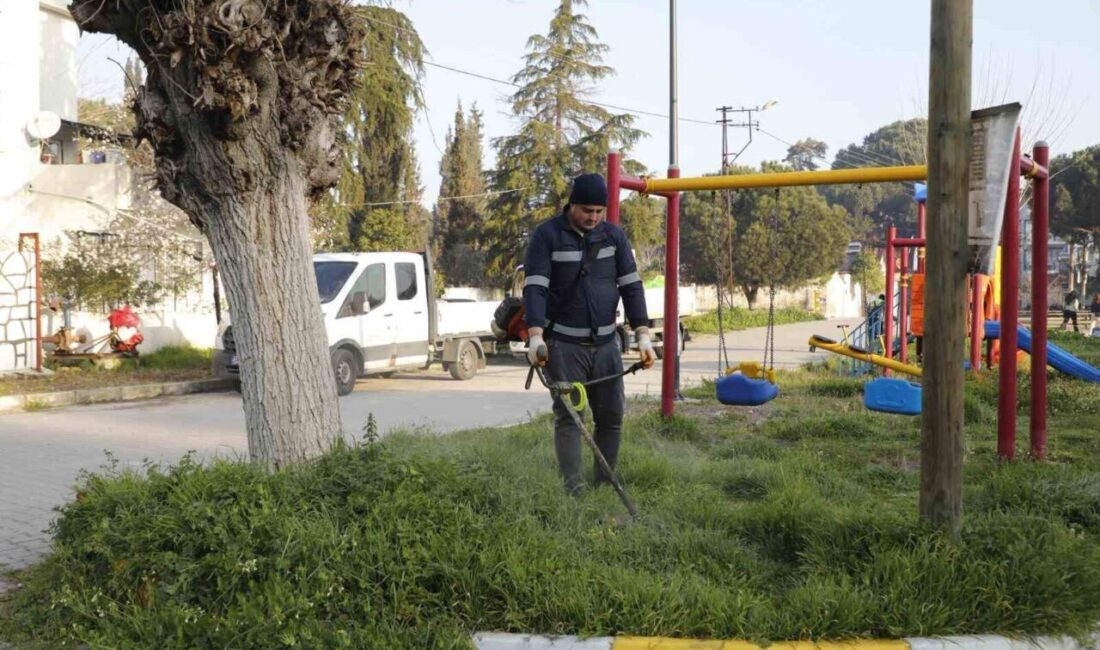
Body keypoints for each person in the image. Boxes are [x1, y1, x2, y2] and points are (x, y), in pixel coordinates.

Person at [522, 173, 657, 495]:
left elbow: (631, 285)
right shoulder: (547, 236)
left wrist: (642, 333)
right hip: (564, 346)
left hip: (607, 345)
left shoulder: (614, 237)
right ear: (572, 204)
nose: (593, 217)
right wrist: (536, 335)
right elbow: (536, 287)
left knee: (611, 418)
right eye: (587, 210)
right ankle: (575, 488)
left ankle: (604, 484)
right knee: (570, 418)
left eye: (599, 211)